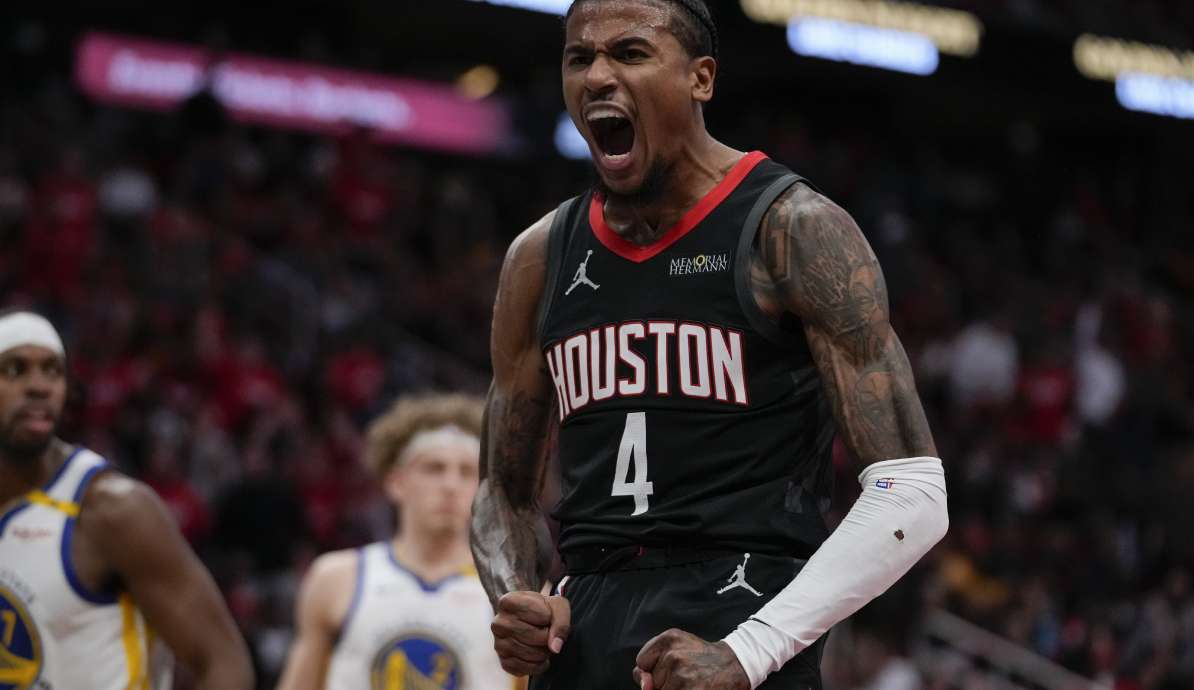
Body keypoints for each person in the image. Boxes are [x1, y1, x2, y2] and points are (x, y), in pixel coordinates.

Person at [470, 1, 950, 689]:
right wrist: (513, 593)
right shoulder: (540, 256)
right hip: (583, 623)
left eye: (630, 53)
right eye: (580, 58)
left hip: (744, 609)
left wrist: (750, 651)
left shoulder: (791, 228)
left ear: (701, 78)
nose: (598, 75)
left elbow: (913, 492)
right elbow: (502, 491)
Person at [0, 310, 254, 690]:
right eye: (16, 370)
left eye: (52, 371)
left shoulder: (112, 510)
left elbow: (224, 663)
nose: (39, 386)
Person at [277, 393, 518, 690]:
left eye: (467, 472)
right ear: (396, 482)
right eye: (434, 468)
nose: (450, 485)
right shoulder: (337, 578)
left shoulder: (516, 592)